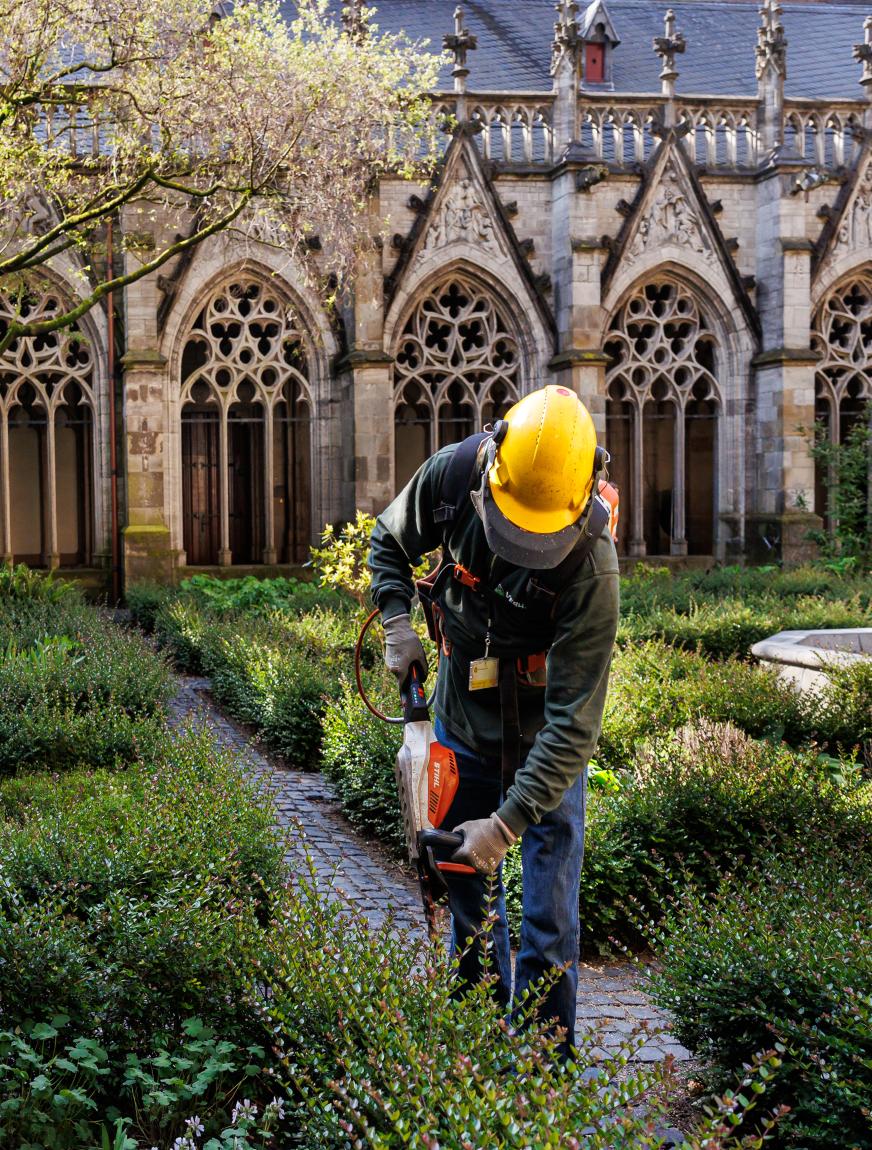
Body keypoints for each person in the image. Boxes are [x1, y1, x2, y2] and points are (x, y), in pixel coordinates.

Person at [368, 384, 619, 1058]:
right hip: (461, 731)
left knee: (548, 925)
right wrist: (397, 620)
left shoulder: (592, 562)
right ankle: (477, 1049)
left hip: (544, 751)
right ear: (494, 468)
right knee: (469, 908)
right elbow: (388, 540)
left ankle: (542, 1072)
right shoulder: (452, 475)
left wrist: (507, 825)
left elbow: (573, 726)